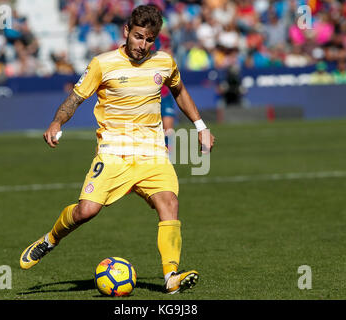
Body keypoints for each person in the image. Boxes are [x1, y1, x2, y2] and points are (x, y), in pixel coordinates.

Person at [19, 5, 215, 294]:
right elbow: (76, 98)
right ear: (126, 31)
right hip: (113, 154)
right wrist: (56, 122)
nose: (143, 45)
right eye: (138, 37)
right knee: (86, 211)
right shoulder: (103, 63)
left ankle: (171, 276)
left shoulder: (164, 62)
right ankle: (50, 239)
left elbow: (179, 90)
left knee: (169, 204)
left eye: (149, 39)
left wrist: (201, 127)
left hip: (152, 153)